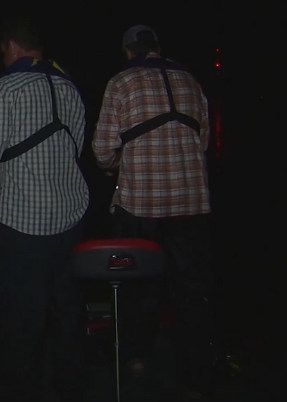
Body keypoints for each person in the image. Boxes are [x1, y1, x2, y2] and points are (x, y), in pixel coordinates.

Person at [0, 17, 89, 402]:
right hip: (70, 219)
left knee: (21, 317)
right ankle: (70, 385)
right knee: (66, 311)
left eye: (2, 50)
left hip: (23, 226)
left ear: (12, 46)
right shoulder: (70, 87)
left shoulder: (7, 85)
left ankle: (18, 391)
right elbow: (76, 148)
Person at [92, 25, 214, 401]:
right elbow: (204, 141)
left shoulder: (121, 82)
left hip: (141, 203)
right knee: (191, 288)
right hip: (191, 203)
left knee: (139, 286)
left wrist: (115, 164)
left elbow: (101, 148)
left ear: (129, 52)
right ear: (159, 49)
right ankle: (195, 371)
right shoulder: (192, 80)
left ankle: (138, 362)